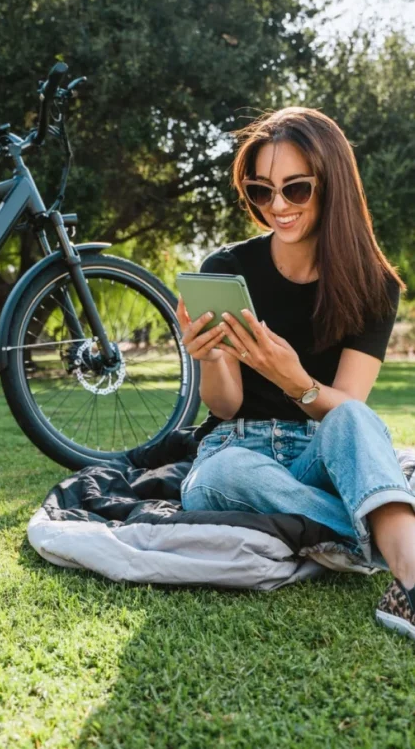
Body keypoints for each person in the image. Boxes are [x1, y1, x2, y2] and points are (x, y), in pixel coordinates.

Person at [176, 106, 415, 641]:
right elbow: (226, 407)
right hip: (236, 450)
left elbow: (347, 407)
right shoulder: (227, 268)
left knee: (354, 417)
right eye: (262, 191)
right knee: (220, 476)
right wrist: (211, 357)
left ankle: (411, 583)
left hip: (318, 453)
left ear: (330, 185)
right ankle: (390, 524)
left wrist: (292, 379)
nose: (277, 207)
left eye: (296, 189)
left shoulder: (374, 285)